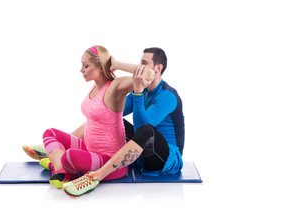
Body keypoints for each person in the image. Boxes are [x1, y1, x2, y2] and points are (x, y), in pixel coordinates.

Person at [62, 47, 185, 198]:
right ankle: (63, 143)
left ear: (158, 68)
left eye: (144, 64)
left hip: (166, 159)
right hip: (142, 154)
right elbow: (107, 113)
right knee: (106, 117)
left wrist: (119, 67)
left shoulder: (167, 96)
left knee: (147, 130)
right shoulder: (141, 91)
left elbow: (143, 129)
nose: (139, 67)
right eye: (140, 63)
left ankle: (95, 177)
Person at [40, 45, 155, 188]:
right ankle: (59, 170)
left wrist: (116, 65)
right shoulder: (95, 87)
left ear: (101, 67)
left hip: (108, 161)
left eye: (86, 66)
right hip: (89, 149)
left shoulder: (115, 87)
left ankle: (59, 163)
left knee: (70, 155)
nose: (81, 70)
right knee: (50, 133)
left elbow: (150, 74)